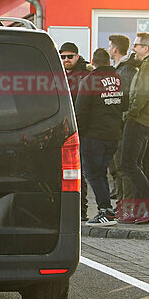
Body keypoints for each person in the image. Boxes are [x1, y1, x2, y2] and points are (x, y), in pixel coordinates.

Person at [119, 32, 149, 224]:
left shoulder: (148, 67)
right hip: (146, 120)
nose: (134, 49)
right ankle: (139, 212)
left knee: (127, 164)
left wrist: (129, 113)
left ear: (146, 48)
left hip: (139, 120)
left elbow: (141, 95)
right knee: (135, 165)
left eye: (137, 45)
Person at [75, 48, 123, 224]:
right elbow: (123, 104)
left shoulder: (89, 81)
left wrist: (79, 134)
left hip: (93, 136)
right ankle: (108, 209)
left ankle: (106, 210)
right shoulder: (118, 80)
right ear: (109, 62)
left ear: (92, 63)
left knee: (93, 174)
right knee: (101, 172)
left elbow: (81, 112)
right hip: (113, 134)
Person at [60, 41, 93, 219]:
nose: (66, 60)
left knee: (78, 171)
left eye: (69, 56)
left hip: (81, 129)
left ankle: (81, 211)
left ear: (77, 57)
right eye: (63, 56)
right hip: (61, 127)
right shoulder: (57, 73)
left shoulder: (86, 74)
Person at [107, 34, 138, 217]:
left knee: (122, 168)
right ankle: (121, 205)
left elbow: (122, 101)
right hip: (116, 126)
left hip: (122, 127)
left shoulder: (125, 72)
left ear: (115, 49)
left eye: (110, 46)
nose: (110, 49)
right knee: (116, 168)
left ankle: (126, 207)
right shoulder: (120, 70)